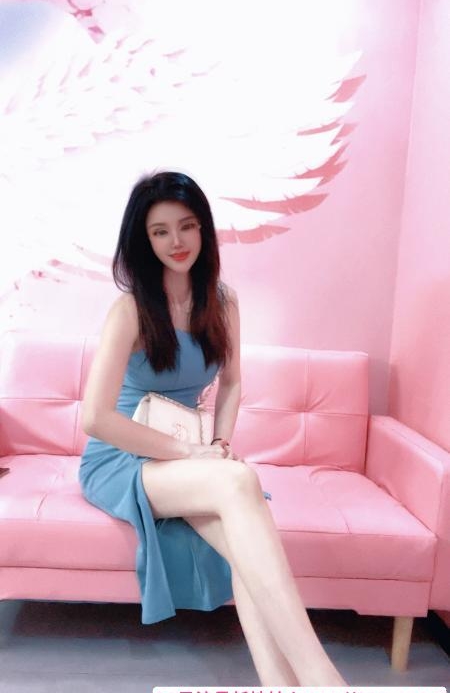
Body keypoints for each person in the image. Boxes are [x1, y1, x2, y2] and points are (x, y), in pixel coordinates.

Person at [80, 171, 346, 686]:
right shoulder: (130, 310)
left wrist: (219, 443)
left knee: (246, 542)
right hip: (122, 458)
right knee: (241, 484)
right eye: (160, 231)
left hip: (188, 454)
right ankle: (323, 681)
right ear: (144, 240)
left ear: (203, 228)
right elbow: (96, 418)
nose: (176, 241)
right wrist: (189, 453)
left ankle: (283, 686)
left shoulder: (222, 302)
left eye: (187, 226)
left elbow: (232, 383)